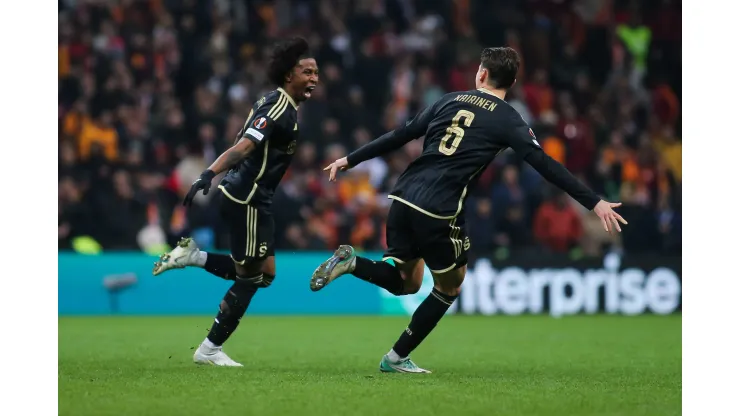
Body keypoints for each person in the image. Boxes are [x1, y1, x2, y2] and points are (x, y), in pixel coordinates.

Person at [312, 47, 627, 374]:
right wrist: (593, 200)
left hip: (403, 197)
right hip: (438, 209)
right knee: (450, 287)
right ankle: (395, 358)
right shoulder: (508, 119)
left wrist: (350, 159)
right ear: (514, 82)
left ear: (481, 74)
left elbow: (400, 135)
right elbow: (545, 165)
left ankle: (352, 263)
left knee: (405, 282)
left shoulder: (448, 100)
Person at [152, 37, 319, 366]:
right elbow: (244, 145)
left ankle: (194, 257)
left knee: (265, 273)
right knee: (250, 277)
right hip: (248, 198)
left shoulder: (277, 103)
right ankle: (210, 350)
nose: (314, 77)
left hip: (258, 199)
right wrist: (208, 173)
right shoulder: (277, 107)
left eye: (316, 72)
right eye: (307, 72)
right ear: (289, 75)